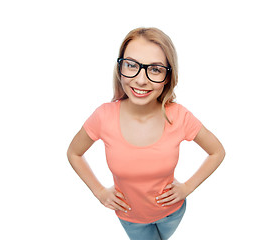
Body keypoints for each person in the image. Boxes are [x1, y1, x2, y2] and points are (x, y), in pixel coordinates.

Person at [67, 27, 225, 240]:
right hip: (130, 217)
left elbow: (217, 151)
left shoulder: (180, 116)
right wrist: (99, 191)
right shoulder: (103, 116)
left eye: (155, 69)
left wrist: (187, 187)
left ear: (168, 76)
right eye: (131, 65)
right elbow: (74, 153)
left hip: (172, 213)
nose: (141, 80)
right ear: (120, 67)